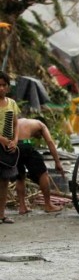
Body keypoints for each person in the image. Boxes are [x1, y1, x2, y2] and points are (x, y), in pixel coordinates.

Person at [14, 118, 65, 214]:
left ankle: (22, 207)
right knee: (43, 173)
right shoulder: (41, 124)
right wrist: (57, 162)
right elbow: (50, 142)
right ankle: (48, 205)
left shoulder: (20, 121)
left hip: (13, 147)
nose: (39, 137)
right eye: (40, 135)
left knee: (20, 177)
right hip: (25, 145)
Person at [0, 71, 19, 224]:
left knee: (4, 181)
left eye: (3, 85)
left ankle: (1, 214)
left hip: (6, 149)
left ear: (7, 87)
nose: (1, 88)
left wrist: (15, 140)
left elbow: (16, 124)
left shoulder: (12, 103)